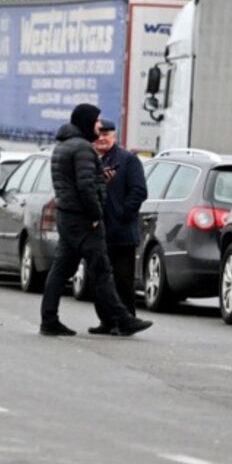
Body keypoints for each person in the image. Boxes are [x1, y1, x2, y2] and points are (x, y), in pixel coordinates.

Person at [39, 103, 151, 338]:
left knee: (61, 269)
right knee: (102, 270)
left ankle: (49, 319)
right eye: (97, 121)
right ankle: (121, 319)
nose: (99, 127)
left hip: (68, 216)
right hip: (82, 219)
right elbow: (86, 186)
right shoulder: (81, 149)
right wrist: (95, 215)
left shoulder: (62, 146)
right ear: (86, 121)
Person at [94, 118, 147, 325]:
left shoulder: (127, 160)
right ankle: (106, 321)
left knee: (122, 280)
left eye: (106, 135)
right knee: (99, 279)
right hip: (98, 231)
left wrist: (123, 214)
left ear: (114, 136)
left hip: (122, 232)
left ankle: (127, 320)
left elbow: (139, 191)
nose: (102, 139)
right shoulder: (90, 160)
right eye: (98, 135)